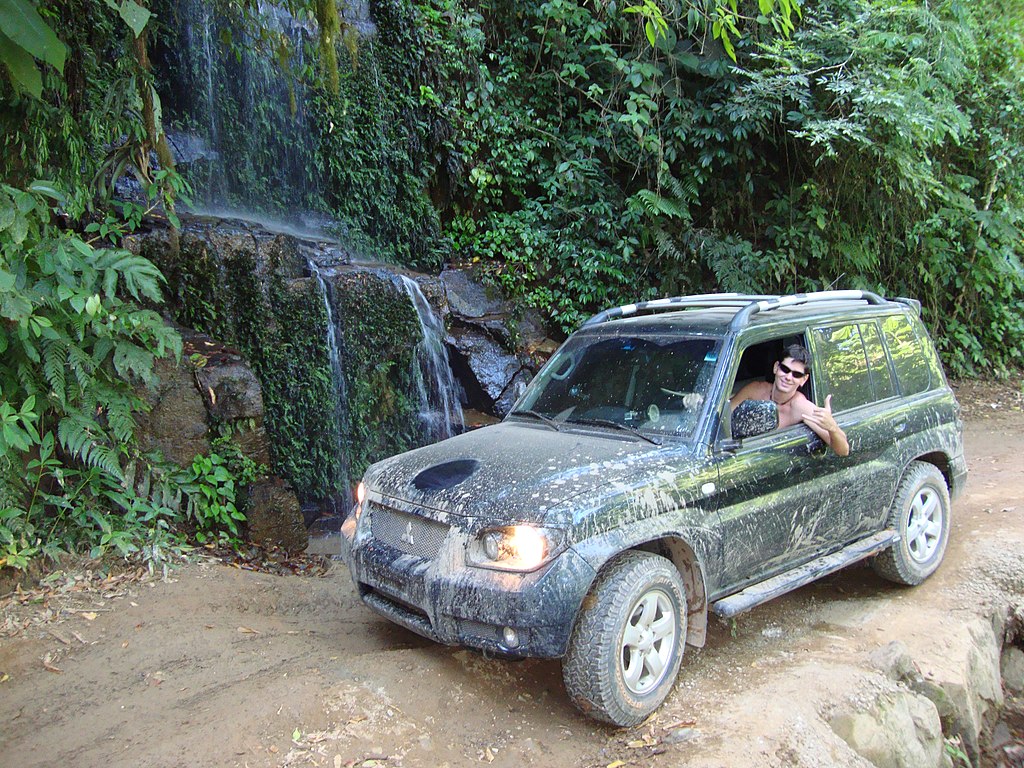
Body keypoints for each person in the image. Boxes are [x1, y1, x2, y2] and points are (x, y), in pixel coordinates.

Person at [730, 344, 850, 456]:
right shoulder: (755, 390)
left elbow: (843, 450)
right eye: (785, 369)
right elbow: (722, 418)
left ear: (803, 379)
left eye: (796, 375)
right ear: (776, 367)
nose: (788, 377)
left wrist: (832, 427)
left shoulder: (800, 407)